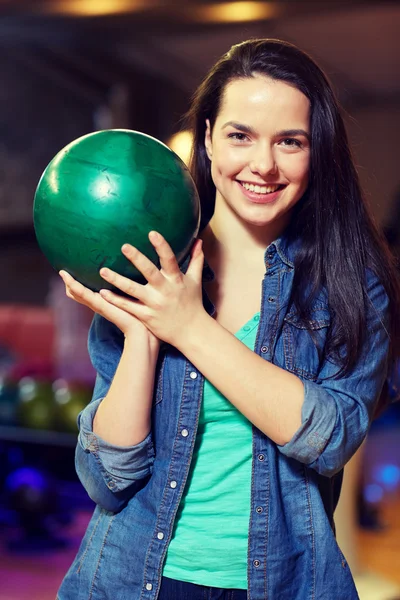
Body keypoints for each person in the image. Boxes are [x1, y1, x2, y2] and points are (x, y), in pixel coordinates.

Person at [56, 38, 400, 600]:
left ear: (318, 150)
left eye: (290, 141)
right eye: (241, 135)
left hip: (281, 585)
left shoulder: (350, 285)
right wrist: (145, 330)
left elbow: (331, 436)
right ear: (210, 137)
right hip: (133, 582)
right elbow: (108, 479)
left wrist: (189, 327)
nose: (262, 165)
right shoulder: (141, 266)